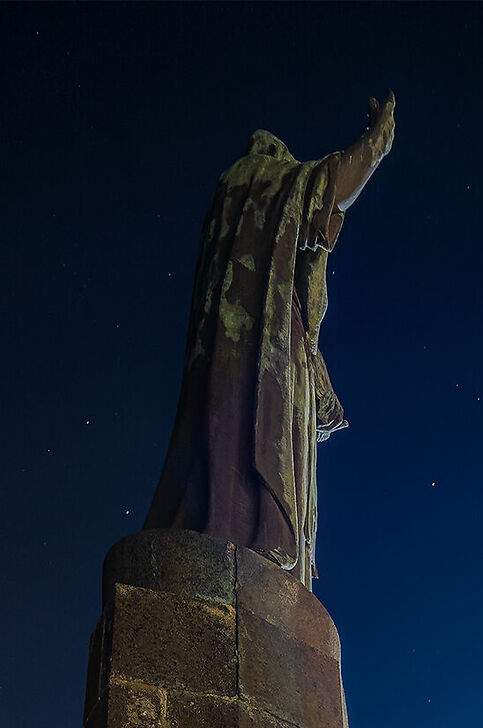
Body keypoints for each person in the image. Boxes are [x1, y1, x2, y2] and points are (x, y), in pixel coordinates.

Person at [145, 96, 397, 585]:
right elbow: (327, 186)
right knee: (249, 439)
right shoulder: (259, 178)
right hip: (261, 355)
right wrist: (378, 141)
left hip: (254, 350)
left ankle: (241, 529)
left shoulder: (230, 199)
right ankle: (256, 529)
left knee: (224, 440)